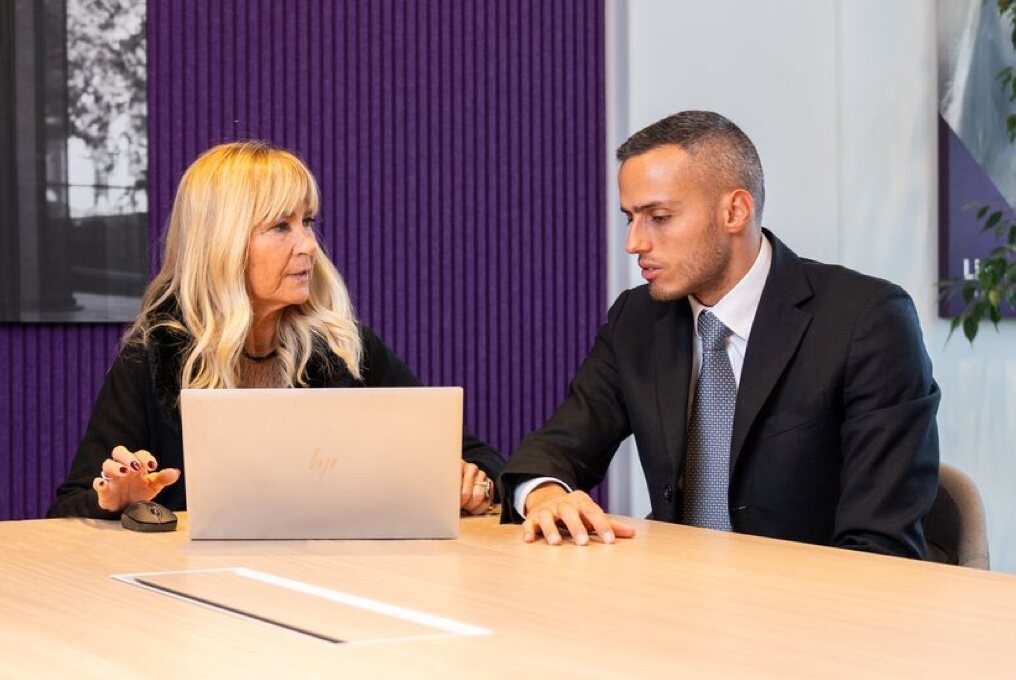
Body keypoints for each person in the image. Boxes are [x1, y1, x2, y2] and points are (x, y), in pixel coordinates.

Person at [499, 111, 940, 558]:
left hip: (813, 609)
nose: (634, 243)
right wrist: (547, 495)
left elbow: (880, 543)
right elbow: (557, 447)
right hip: (679, 599)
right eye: (630, 218)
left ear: (735, 211)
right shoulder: (637, 318)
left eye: (659, 217)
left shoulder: (866, 320)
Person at [48, 141, 503, 519]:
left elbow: (482, 461)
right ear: (222, 244)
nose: (308, 245)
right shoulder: (153, 354)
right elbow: (68, 511)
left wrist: (471, 481)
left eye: (307, 222)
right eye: (280, 226)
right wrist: (117, 501)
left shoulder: (342, 347)